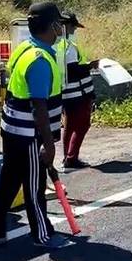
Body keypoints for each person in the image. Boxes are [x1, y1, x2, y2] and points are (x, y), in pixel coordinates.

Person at [0, 2, 71, 249]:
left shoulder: (25, 48)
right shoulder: (41, 61)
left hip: (12, 128)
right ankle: (42, 235)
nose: (62, 29)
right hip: (29, 134)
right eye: (59, 24)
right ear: (53, 25)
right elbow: (39, 108)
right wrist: (48, 144)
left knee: (9, 179)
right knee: (34, 185)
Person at [55, 13, 98, 170]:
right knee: (82, 125)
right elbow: (72, 70)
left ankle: (67, 156)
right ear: (66, 26)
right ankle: (71, 158)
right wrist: (90, 66)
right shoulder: (68, 46)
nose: (74, 30)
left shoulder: (55, 44)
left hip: (65, 92)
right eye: (73, 27)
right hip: (78, 92)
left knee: (70, 125)